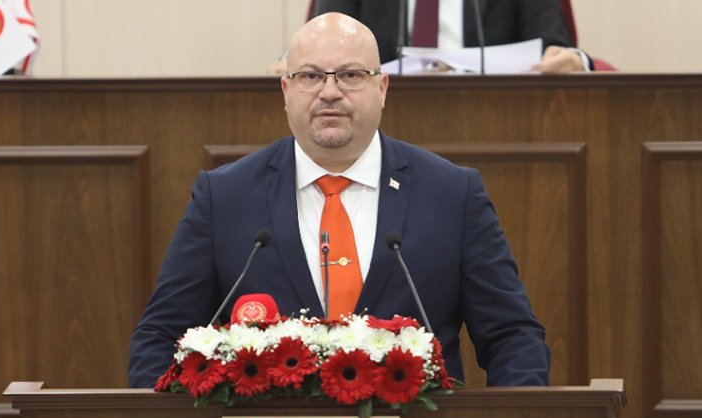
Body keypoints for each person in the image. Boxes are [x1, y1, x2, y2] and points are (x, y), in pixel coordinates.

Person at [128, 12, 550, 389]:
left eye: (350, 75)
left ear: (382, 87)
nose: (330, 92)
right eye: (310, 76)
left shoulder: (453, 194)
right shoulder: (224, 197)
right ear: (286, 90)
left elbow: (513, 337)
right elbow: (161, 338)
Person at [311, 0, 592, 72]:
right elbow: (324, 41)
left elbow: (553, 48)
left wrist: (571, 60)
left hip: (496, 117)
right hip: (383, 119)